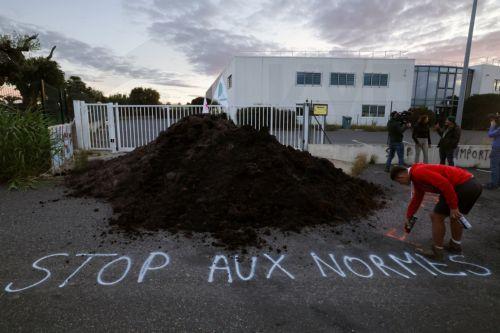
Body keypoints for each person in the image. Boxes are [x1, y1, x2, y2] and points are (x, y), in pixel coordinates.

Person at [390, 164, 482, 260]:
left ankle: (437, 251)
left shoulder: (418, 172)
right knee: (455, 216)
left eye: (399, 182)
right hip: (472, 185)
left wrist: (453, 206)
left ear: (400, 176)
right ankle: (455, 245)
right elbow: (417, 197)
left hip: (463, 186)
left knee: (436, 216)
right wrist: (409, 216)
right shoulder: (416, 177)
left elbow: (444, 184)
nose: (401, 184)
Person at [485, 114, 500, 190]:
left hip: (497, 149)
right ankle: (497, 183)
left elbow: (490, 134)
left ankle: (494, 184)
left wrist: (492, 125)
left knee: (494, 166)